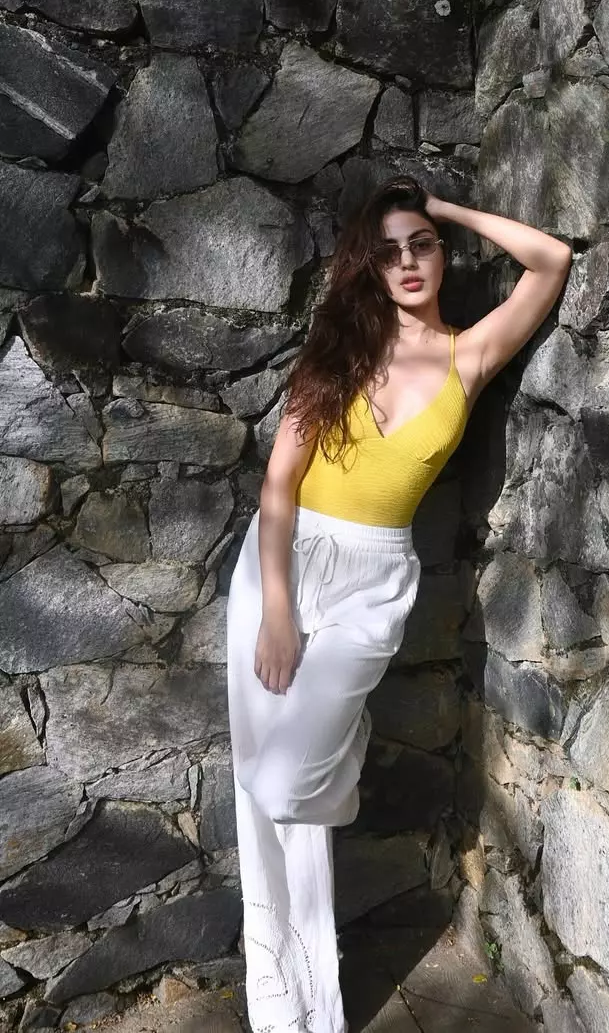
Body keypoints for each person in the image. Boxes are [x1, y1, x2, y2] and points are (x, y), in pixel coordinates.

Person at [225, 172, 572, 1033]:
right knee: (259, 803)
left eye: (422, 245)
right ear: (369, 268)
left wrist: (440, 205)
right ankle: (294, 1010)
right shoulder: (338, 353)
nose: (409, 261)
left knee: (284, 780)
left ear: (442, 252)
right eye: (389, 252)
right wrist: (277, 609)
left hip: (373, 580)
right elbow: (279, 486)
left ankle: (340, 747)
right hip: (280, 563)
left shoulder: (470, 355)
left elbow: (550, 260)